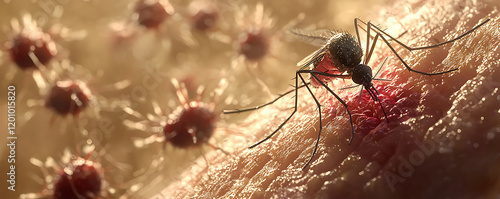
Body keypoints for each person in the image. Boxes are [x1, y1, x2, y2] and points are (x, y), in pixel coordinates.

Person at [152, 0, 500, 198]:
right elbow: (311, 72)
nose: (368, 84)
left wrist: (412, 55)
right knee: (308, 73)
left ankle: (411, 54)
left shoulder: (360, 60)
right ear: (358, 71)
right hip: (326, 63)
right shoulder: (345, 64)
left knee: (365, 26)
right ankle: (298, 116)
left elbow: (366, 29)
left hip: (344, 51)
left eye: (364, 79)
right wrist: (346, 110)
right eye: (363, 80)